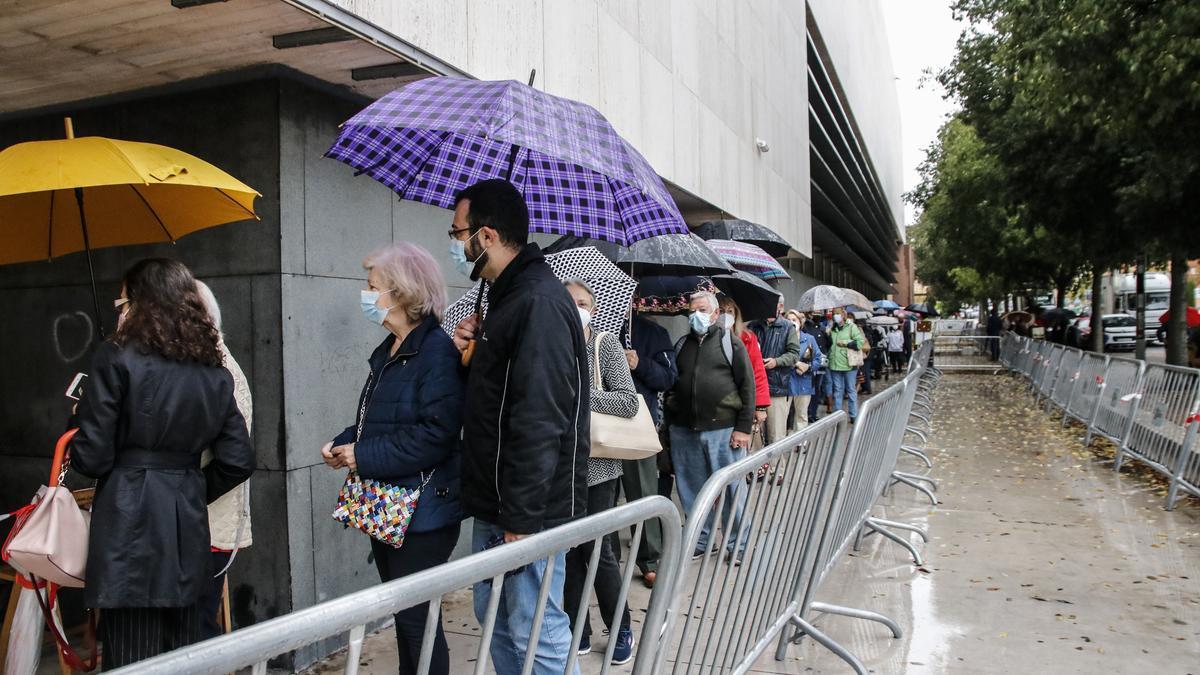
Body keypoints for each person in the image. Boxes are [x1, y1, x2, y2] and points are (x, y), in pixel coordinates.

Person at [69, 258, 254, 669]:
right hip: (188, 522)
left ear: (137, 303)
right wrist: (187, 486)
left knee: (132, 656)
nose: (120, 310)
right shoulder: (213, 368)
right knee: (187, 653)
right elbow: (239, 459)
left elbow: (91, 458)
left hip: (126, 522)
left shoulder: (115, 357)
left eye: (123, 301)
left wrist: (81, 423)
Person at [449, 179, 588, 675]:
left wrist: (521, 521)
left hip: (528, 509)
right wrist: (472, 350)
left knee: (536, 629)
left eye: (456, 231)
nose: (453, 242)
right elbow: (501, 394)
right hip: (498, 498)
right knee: (499, 621)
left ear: (485, 236)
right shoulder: (503, 297)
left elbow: (540, 417)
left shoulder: (539, 302)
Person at [320, 243, 465, 675]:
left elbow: (436, 435)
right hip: (392, 507)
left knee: (418, 625)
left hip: (423, 515)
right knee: (407, 621)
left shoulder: (435, 352)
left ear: (401, 294)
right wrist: (344, 443)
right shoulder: (392, 349)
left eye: (372, 286)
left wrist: (360, 455)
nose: (365, 294)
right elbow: (382, 422)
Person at [561, 281, 638, 664]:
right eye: (571, 302)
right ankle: (579, 629)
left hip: (598, 467)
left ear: (593, 307)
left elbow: (626, 402)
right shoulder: (553, 345)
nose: (577, 308)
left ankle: (621, 625)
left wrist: (580, 394)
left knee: (598, 550)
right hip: (562, 468)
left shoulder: (603, 344)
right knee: (571, 551)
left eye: (583, 303)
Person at [665, 291, 755, 558]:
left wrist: (743, 428)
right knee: (691, 492)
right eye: (692, 311)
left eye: (702, 310)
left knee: (732, 490)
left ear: (716, 314)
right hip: (684, 431)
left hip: (724, 431)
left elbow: (747, 386)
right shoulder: (682, 345)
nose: (696, 316)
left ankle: (736, 544)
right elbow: (672, 386)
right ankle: (701, 541)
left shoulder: (731, 343)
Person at [193, 281, 254, 640]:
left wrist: (184, 495)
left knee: (195, 633)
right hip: (199, 523)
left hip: (209, 526)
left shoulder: (217, 369)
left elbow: (235, 460)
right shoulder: (201, 364)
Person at [621, 309, 677, 587]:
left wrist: (639, 363)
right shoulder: (592, 329)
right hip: (595, 424)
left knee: (642, 492)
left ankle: (649, 559)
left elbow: (668, 377)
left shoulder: (653, 333)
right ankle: (600, 557)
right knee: (599, 499)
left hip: (638, 422)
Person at [748, 301, 802, 446]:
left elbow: (794, 354)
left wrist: (776, 361)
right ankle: (757, 468)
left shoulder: (787, 327)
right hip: (755, 389)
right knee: (755, 437)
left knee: (776, 437)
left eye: (775, 304)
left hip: (777, 388)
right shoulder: (753, 326)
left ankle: (776, 469)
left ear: (780, 307)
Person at [717, 296, 770, 440]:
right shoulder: (708, 338)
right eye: (721, 311)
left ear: (736, 314)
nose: (726, 315)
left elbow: (758, 372)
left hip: (743, 401)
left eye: (730, 311)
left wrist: (760, 407)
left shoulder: (747, 338)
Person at [827, 307, 867, 423]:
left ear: (844, 315)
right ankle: (837, 416)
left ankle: (853, 415)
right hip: (834, 364)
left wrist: (845, 343)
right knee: (837, 390)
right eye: (834, 314)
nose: (836, 316)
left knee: (850, 389)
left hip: (849, 364)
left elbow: (860, 343)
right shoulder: (832, 328)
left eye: (838, 313)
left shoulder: (851, 327)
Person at [785, 310, 822, 433]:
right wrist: (796, 364)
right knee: (785, 415)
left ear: (800, 323)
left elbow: (818, 359)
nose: (791, 323)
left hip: (804, 382)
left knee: (801, 414)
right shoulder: (782, 339)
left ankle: (801, 442)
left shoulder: (809, 339)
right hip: (786, 382)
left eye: (794, 320)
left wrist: (809, 367)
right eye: (788, 320)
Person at [803, 312, 833, 423]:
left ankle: (813, 413)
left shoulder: (822, 328)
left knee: (817, 388)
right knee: (808, 388)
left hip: (820, 362)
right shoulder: (805, 327)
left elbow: (829, 343)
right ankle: (807, 412)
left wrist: (827, 333)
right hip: (808, 361)